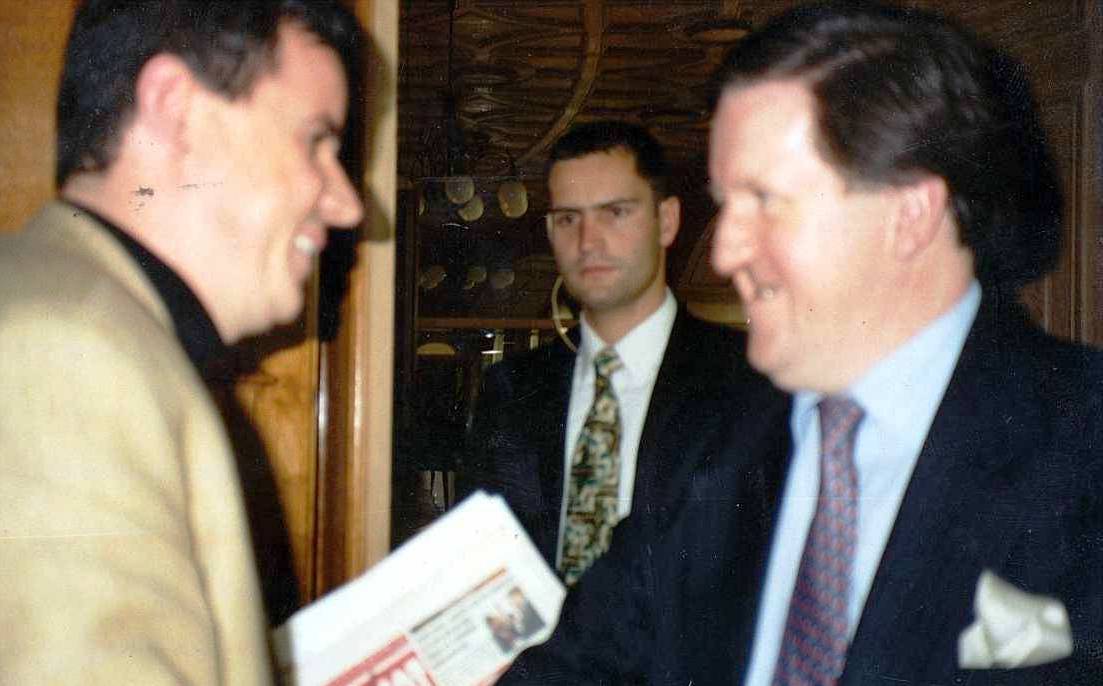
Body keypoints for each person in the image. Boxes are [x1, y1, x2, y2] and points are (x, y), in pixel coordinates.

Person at [503, 3, 1103, 684]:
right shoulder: (709, 454)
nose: (725, 251)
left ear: (909, 215)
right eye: (726, 204)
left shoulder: (1080, 444)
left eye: (764, 199)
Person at [0, 1, 365, 683]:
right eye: (316, 141)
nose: (348, 205)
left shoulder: (98, 335)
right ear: (175, 109)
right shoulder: (64, 353)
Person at [458, 121, 756, 586]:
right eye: (568, 218)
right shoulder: (513, 389)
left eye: (615, 213)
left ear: (667, 221)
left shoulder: (747, 382)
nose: (588, 241)